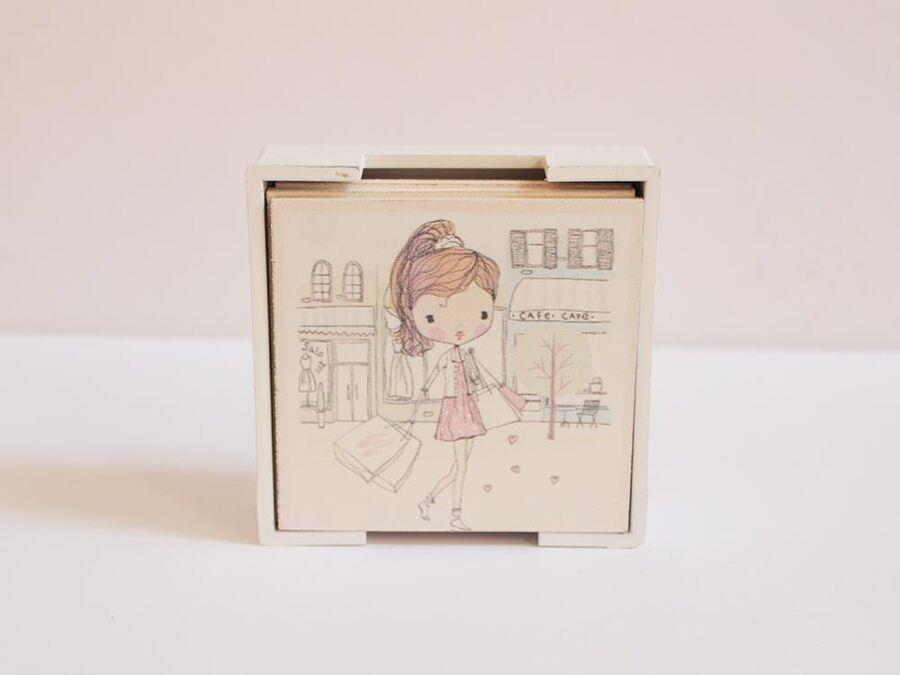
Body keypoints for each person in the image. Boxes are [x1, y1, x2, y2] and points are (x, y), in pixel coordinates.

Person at [389, 219, 524, 531]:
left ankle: (429, 501)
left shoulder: (461, 355)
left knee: (459, 465)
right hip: (457, 412)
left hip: (466, 410)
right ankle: (455, 515)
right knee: (461, 466)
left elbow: (479, 379)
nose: (462, 326)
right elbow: (437, 384)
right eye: (434, 315)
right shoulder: (449, 357)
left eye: (481, 313)